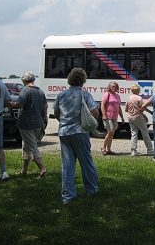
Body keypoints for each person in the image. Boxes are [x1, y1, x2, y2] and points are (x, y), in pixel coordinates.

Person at [53, 68, 100, 205]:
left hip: (64, 132)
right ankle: (91, 190)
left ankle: (67, 195)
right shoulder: (84, 95)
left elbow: (56, 113)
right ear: (83, 80)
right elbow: (95, 112)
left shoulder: (61, 95)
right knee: (86, 162)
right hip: (80, 132)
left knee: (67, 164)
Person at [12, 71, 48, 177]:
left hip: (26, 123)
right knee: (26, 146)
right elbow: (45, 108)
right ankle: (24, 170)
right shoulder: (40, 91)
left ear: (24, 80)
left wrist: (8, 103)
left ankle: (42, 169)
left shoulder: (26, 90)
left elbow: (19, 104)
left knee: (32, 147)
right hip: (38, 123)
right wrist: (42, 121)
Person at [125, 83, 154, 156]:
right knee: (145, 132)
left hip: (130, 117)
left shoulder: (129, 98)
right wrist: (149, 112)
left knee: (134, 134)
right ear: (137, 90)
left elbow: (126, 109)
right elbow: (142, 108)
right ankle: (150, 149)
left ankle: (133, 151)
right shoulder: (139, 98)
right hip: (138, 117)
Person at [101, 81, 125, 155]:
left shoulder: (117, 96)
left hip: (115, 117)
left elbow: (119, 107)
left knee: (112, 133)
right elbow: (102, 105)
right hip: (108, 116)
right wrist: (104, 115)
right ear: (109, 87)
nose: (114, 88)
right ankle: (103, 147)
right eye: (112, 87)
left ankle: (109, 149)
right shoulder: (107, 94)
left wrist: (122, 117)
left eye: (115, 87)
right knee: (111, 131)